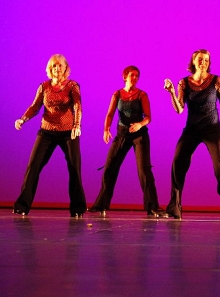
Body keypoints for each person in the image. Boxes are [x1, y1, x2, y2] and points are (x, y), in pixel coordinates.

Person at [163, 49, 220, 219]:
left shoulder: (216, 81)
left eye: (206, 60)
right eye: (200, 59)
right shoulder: (184, 83)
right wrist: (171, 92)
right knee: (178, 163)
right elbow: (179, 109)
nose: (203, 62)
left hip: (212, 129)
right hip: (192, 129)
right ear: (193, 61)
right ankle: (174, 207)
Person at [13, 54, 87, 217]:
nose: (57, 68)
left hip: (68, 133)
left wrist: (77, 125)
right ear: (50, 69)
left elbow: (77, 106)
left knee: (74, 168)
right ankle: (22, 205)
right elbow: (35, 106)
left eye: (60, 65)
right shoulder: (44, 86)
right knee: (33, 166)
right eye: (54, 66)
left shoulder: (72, 86)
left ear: (65, 68)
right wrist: (22, 119)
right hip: (47, 131)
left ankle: (78, 208)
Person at [88, 66, 167, 217]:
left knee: (144, 170)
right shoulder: (117, 94)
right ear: (125, 76)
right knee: (110, 167)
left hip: (139, 135)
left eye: (137, 76)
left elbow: (148, 117)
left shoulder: (142, 95)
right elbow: (110, 114)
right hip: (122, 134)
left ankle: (153, 207)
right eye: (132, 75)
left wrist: (140, 124)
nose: (135, 78)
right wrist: (106, 129)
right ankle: (101, 204)